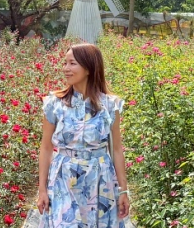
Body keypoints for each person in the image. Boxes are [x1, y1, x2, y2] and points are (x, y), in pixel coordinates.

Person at [37, 42, 132, 227]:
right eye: (64, 63)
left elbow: (117, 149)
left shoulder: (110, 106)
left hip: (99, 180)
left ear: (89, 67)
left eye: (72, 63)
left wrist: (123, 191)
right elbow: (46, 147)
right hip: (63, 177)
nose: (66, 68)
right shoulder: (54, 104)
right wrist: (42, 189)